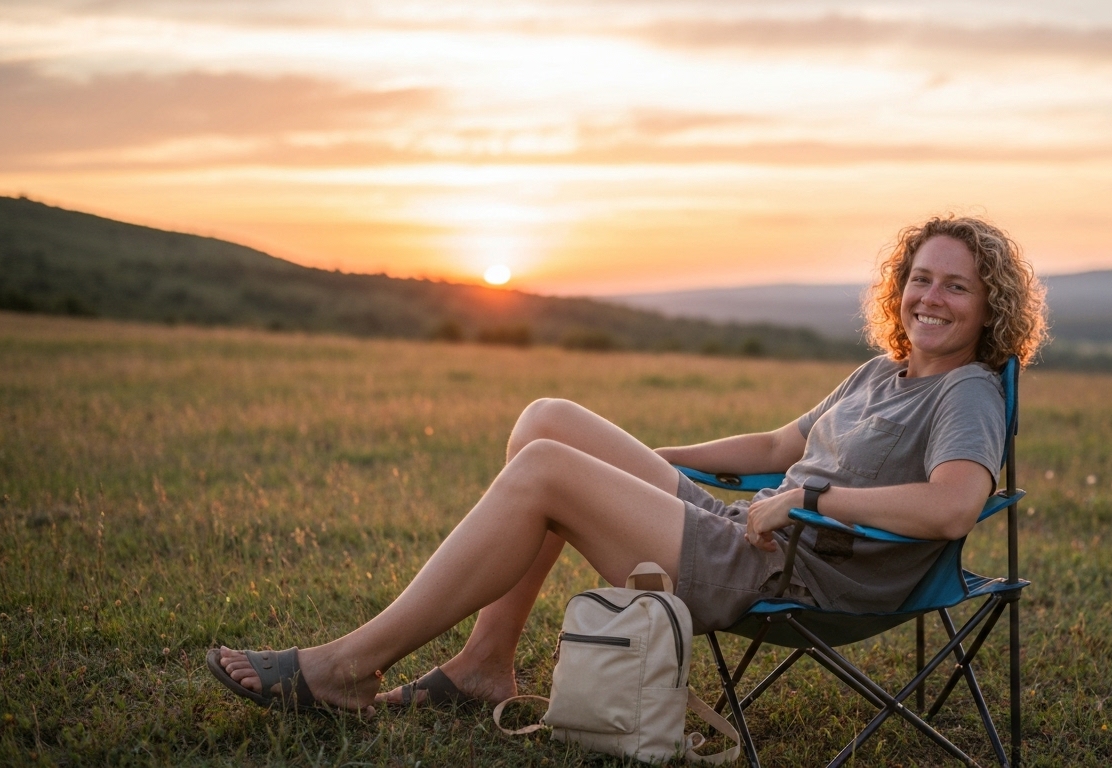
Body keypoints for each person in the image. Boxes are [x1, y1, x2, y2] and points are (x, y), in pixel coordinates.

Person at [208, 215, 1048, 714]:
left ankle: (346, 670)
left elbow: (949, 509)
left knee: (543, 471)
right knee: (550, 421)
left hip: (794, 571)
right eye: (920, 279)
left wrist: (816, 496)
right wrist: (656, 461)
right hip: (751, 531)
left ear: (989, 308)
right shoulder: (882, 374)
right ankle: (483, 667)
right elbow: (773, 449)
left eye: (957, 288)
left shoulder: (966, 394)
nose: (930, 298)